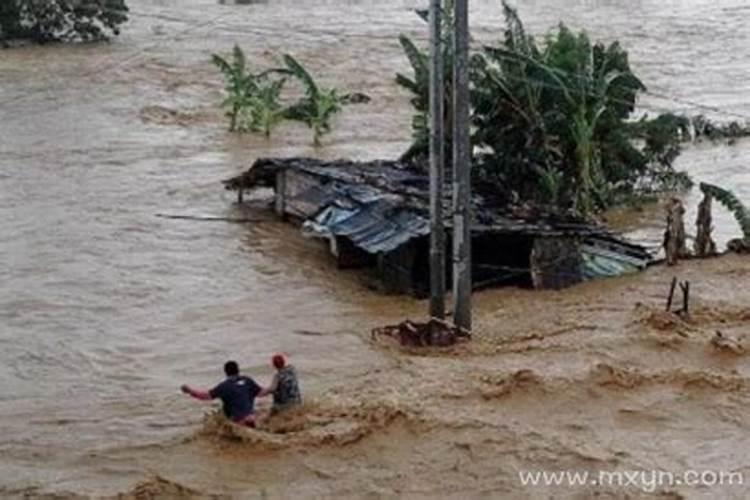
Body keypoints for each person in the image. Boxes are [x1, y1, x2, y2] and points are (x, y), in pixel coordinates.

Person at [181, 360, 263, 428]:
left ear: (225, 372)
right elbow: (262, 393)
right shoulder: (247, 380)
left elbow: (206, 396)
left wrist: (190, 391)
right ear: (238, 370)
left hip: (238, 420)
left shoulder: (224, 386)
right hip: (252, 417)